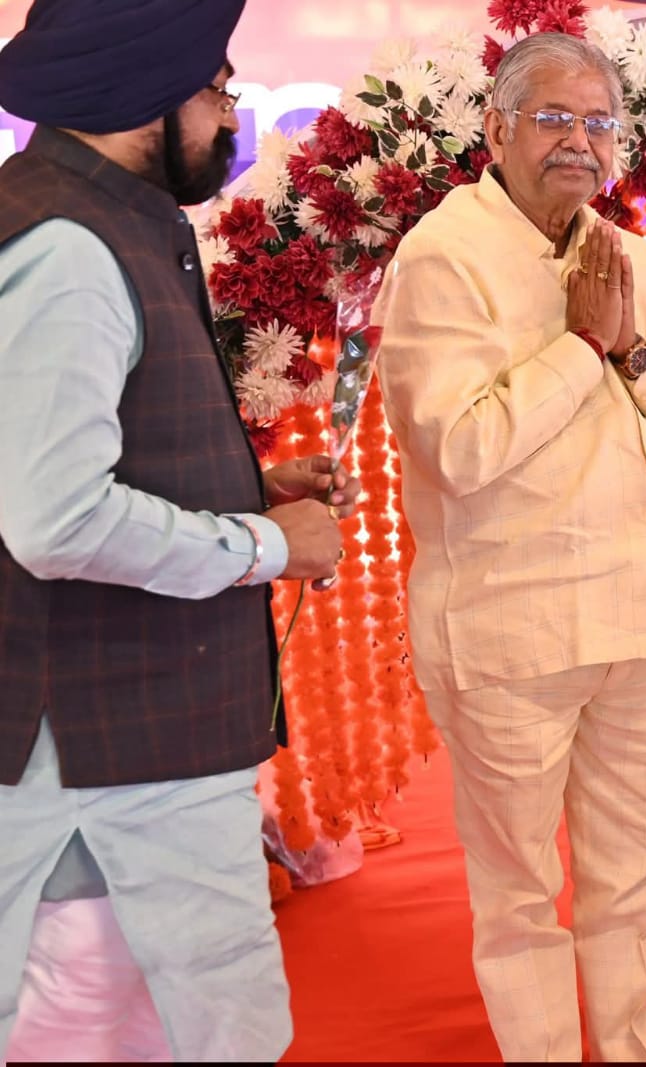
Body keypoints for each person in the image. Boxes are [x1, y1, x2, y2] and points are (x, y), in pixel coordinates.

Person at [0, 0, 356, 1061]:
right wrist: (269, 547)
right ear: (146, 91)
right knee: (145, 1029)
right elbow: (54, 516)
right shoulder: (68, 242)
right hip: (110, 747)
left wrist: (249, 487)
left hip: (133, 745)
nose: (230, 114)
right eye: (217, 88)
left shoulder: (98, 216)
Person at [372, 33, 646, 1063]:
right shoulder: (443, 256)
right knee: (521, 892)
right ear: (495, 130)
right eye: (554, 119)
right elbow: (459, 448)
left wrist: (632, 347)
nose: (580, 142)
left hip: (638, 617)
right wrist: (580, 348)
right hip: (509, 628)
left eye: (599, 122)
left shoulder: (629, 258)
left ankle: (626, 1047)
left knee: (635, 874)